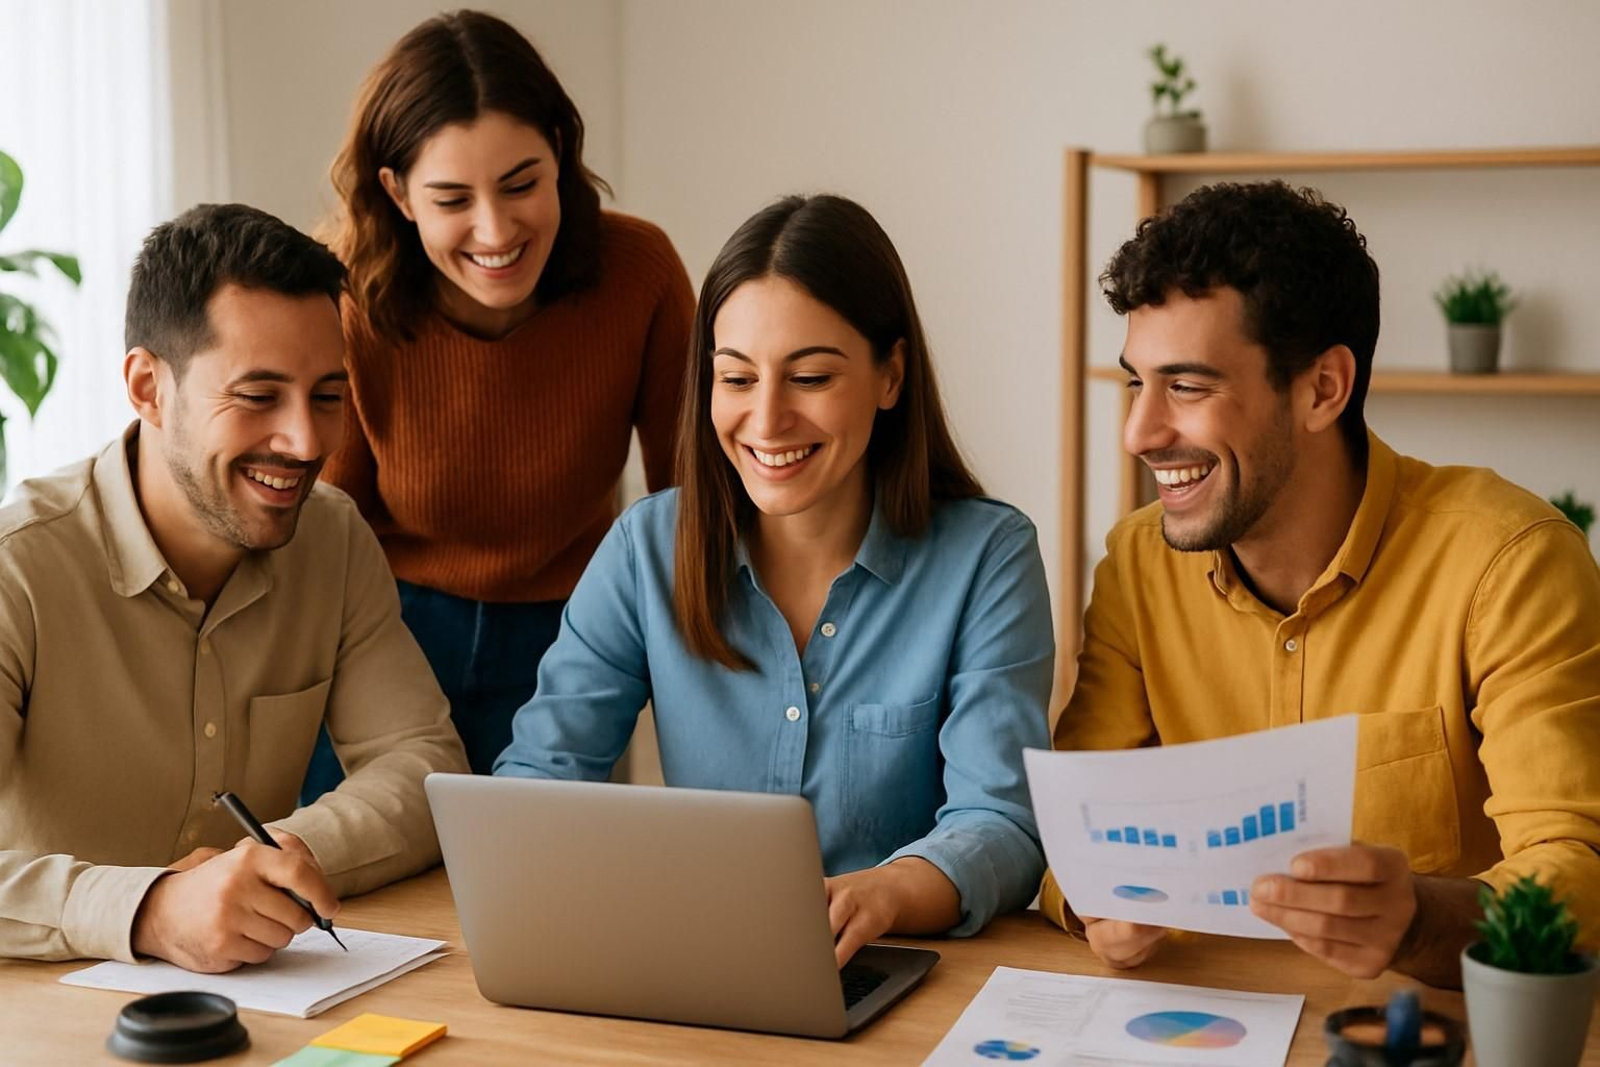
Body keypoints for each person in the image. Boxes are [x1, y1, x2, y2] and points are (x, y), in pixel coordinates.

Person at [1042, 181, 1600, 988]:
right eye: (1137, 381)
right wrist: (1093, 902)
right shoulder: (1138, 564)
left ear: (1322, 389)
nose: (1139, 431)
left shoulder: (1509, 562)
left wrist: (1416, 918)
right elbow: (1073, 836)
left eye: (1187, 386)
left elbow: (1579, 873)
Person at [494, 194, 1053, 965]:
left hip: (896, 969)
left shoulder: (987, 556)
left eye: (811, 377)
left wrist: (883, 891)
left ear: (891, 375)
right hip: (695, 960)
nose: (766, 419)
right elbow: (541, 774)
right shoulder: (647, 547)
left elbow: (1001, 823)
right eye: (736, 378)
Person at [0, 204, 469, 972]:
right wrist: (148, 908)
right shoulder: (16, 567)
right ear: (149, 387)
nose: (307, 441)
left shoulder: (333, 537)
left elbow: (422, 763)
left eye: (326, 395)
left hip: (268, 998)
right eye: (258, 395)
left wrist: (270, 863)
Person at [302, 9, 694, 793]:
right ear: (398, 193)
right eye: (452, 200)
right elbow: (321, 529)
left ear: (560, 152)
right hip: (385, 635)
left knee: (552, 897)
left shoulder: (639, 272)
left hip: (575, 642)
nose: (495, 228)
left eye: (521, 184)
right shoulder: (339, 294)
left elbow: (690, 499)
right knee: (374, 899)